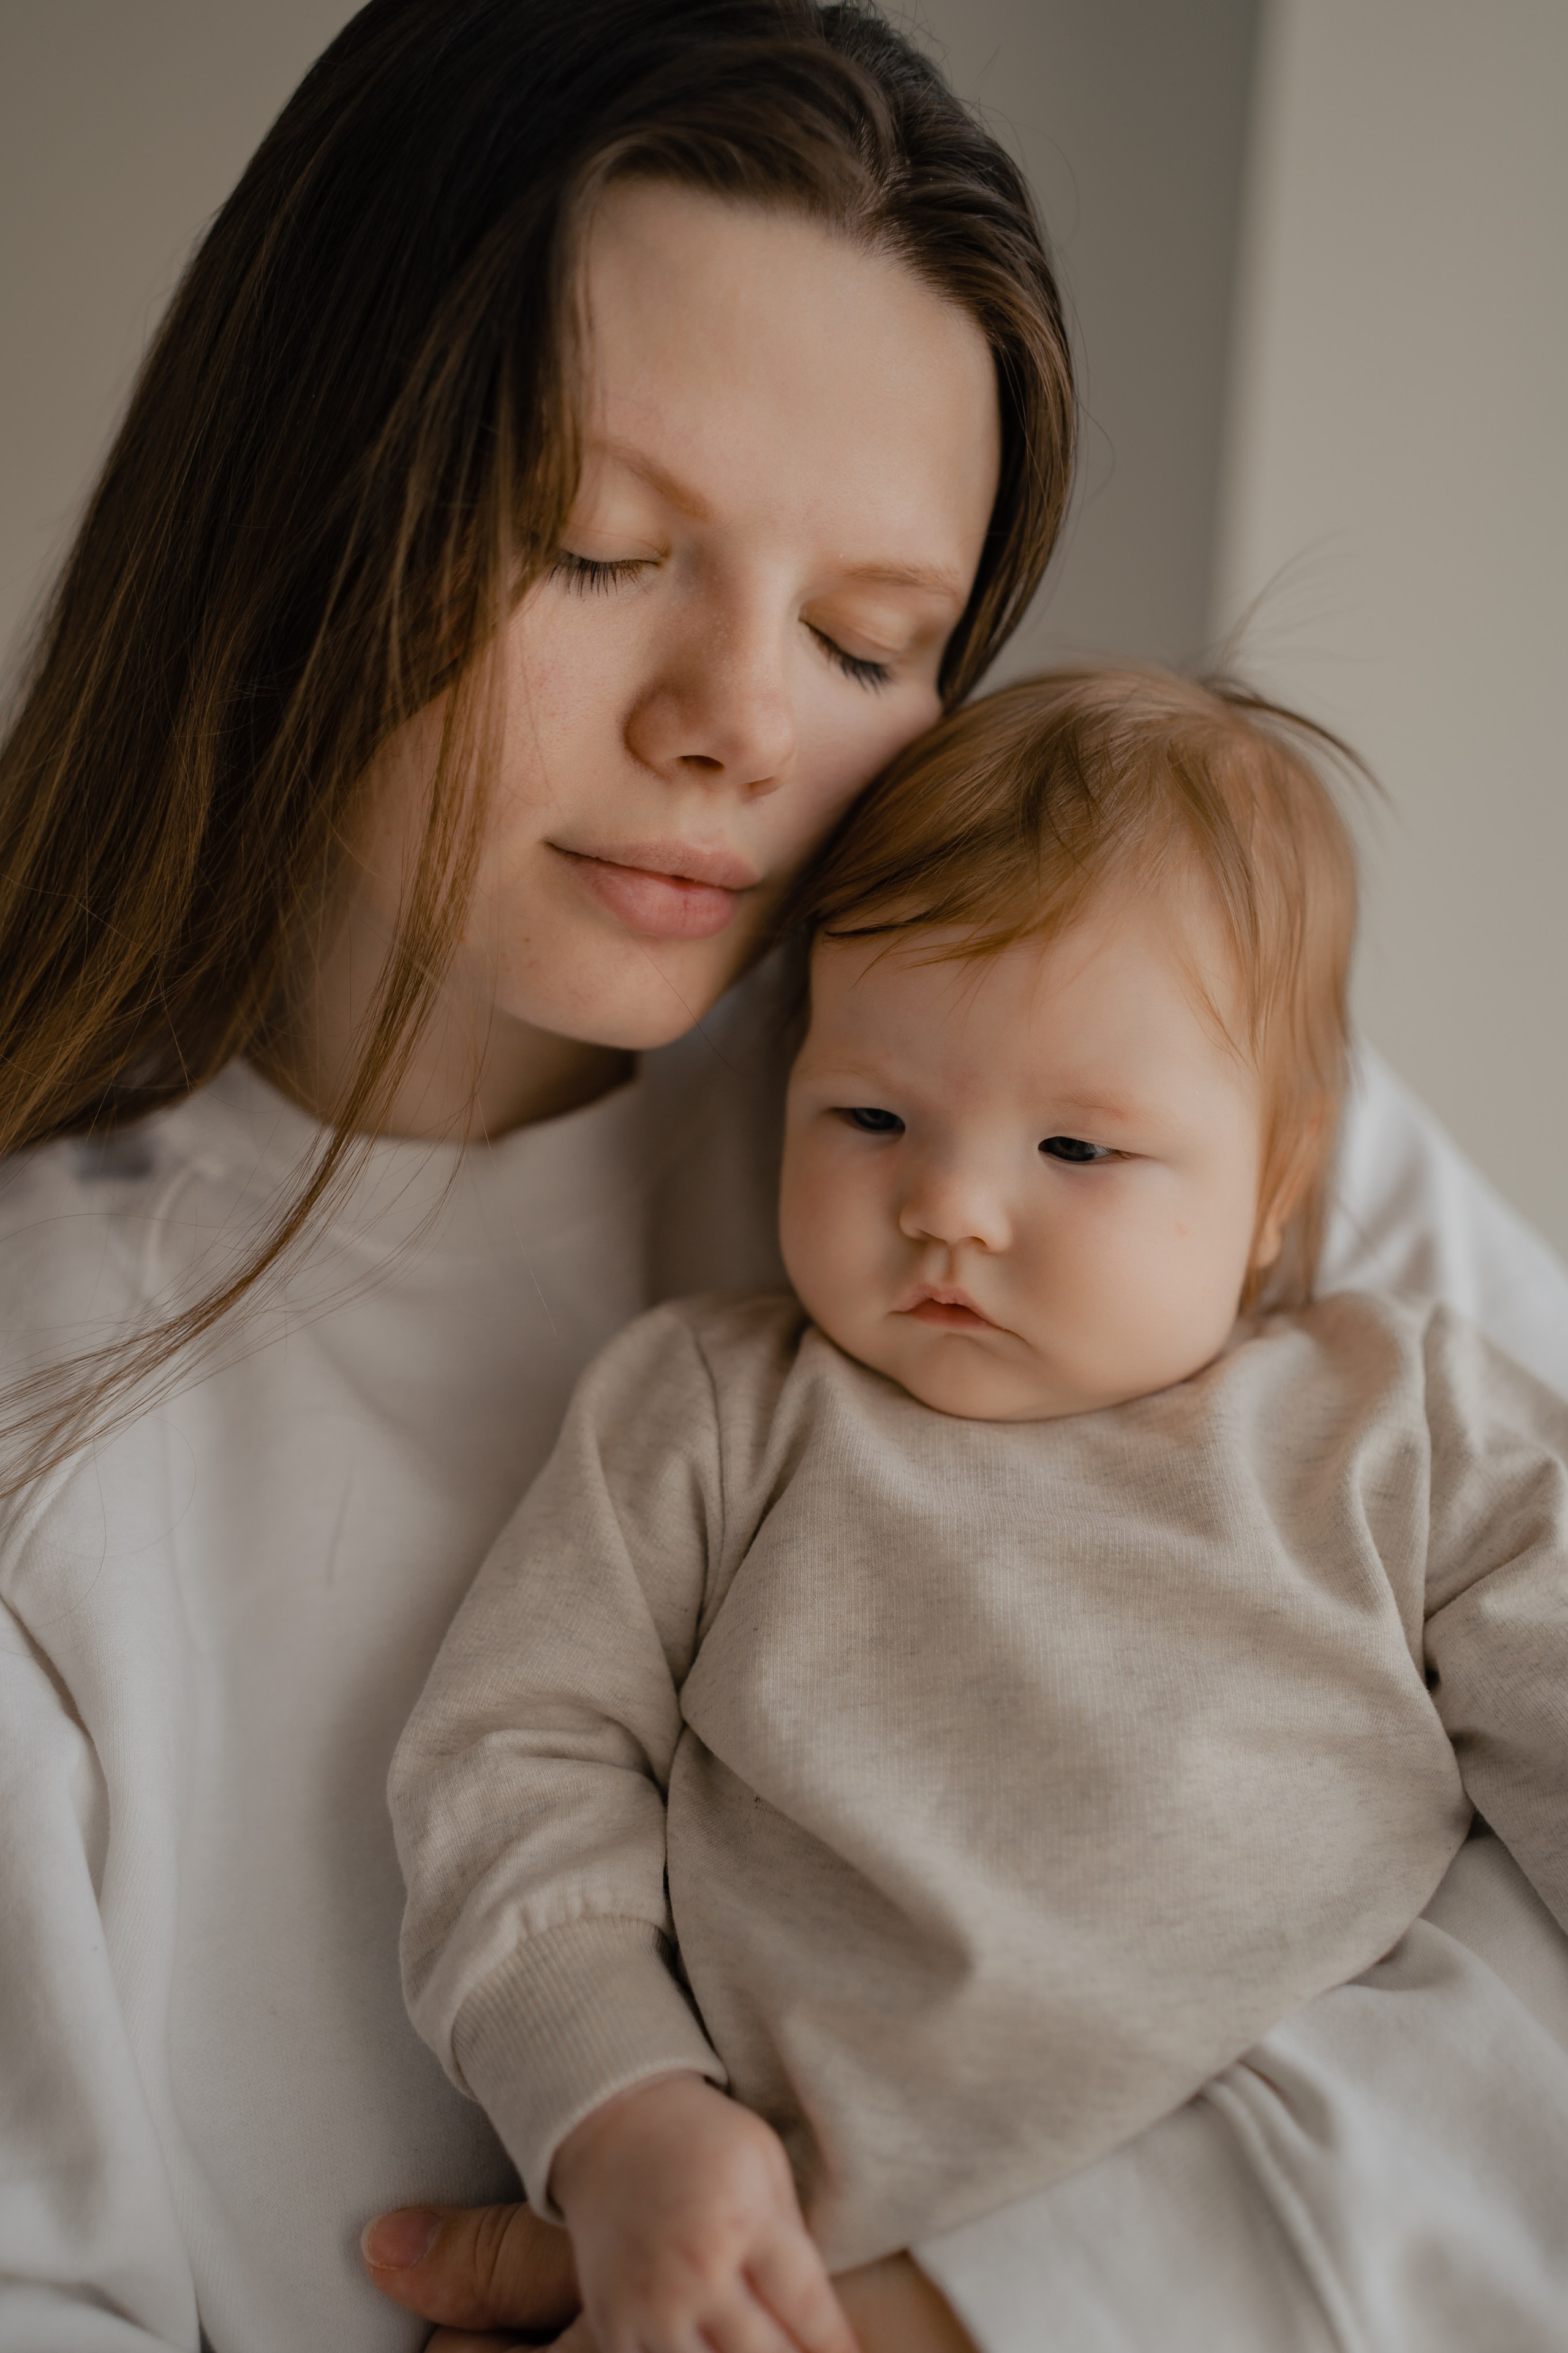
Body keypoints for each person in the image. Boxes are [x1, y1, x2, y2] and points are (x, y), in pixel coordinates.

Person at [0, 2, 1565, 2348]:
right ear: (303, 496)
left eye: (868, 639)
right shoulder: (55, 1402)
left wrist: (959, 2317)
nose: (736, 718)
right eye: (599, 550)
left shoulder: (1118, 1091)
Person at [388, 667, 1568, 2353]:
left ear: (1276, 1190)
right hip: (787, 2272)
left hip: (1269, 2264)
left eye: (1077, 1150)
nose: (948, 1205)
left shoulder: (1401, 1425)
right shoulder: (714, 1415)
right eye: (867, 1116)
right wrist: (619, 2111)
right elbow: (508, 1766)